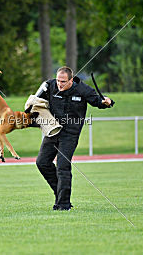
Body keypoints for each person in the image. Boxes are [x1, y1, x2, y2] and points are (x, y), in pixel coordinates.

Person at [34, 66, 112, 211]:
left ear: (71, 80)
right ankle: (60, 194)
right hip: (52, 131)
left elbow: (98, 101)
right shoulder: (49, 86)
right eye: (58, 80)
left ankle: (63, 205)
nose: (59, 84)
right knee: (42, 162)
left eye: (63, 81)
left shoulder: (83, 90)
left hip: (70, 134)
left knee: (63, 166)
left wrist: (106, 102)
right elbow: (35, 102)